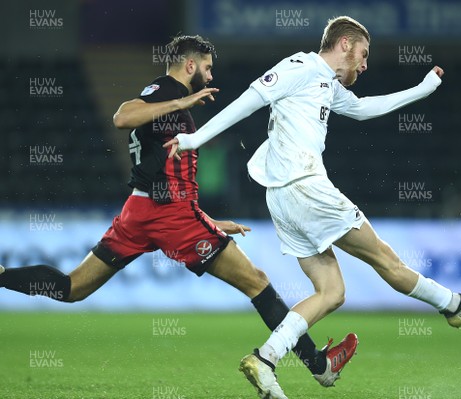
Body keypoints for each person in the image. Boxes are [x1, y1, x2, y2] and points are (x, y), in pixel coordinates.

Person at [163, 19, 461, 399]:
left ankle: (266, 358)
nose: (365, 65)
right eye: (363, 54)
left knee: (331, 291)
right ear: (345, 44)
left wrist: (422, 90)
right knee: (385, 258)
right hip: (306, 186)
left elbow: (362, 109)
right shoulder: (302, 67)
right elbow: (251, 99)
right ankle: (455, 305)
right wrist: (195, 138)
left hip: (282, 197)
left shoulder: (326, 83)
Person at [0, 35, 358, 396]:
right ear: (190, 65)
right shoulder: (167, 91)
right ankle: (318, 366)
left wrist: (210, 220)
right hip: (169, 216)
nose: (209, 73)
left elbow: (166, 174)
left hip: (142, 211)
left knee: (73, 287)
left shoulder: (168, 100)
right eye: (206, 66)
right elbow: (122, 116)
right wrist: (181, 100)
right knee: (257, 282)